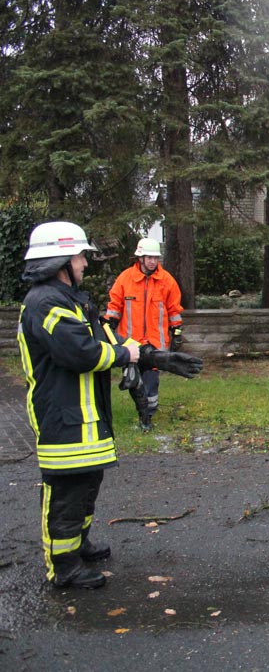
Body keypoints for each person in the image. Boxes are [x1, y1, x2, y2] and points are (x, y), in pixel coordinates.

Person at [18, 221, 141, 589]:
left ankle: (77, 544)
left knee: (87, 481)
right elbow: (81, 352)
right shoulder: (45, 302)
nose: (85, 263)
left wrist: (148, 354)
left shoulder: (70, 300)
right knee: (66, 490)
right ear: (60, 262)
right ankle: (64, 567)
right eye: (80, 257)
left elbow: (102, 335)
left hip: (83, 412)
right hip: (61, 414)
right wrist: (124, 355)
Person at [105, 237, 183, 432]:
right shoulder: (125, 279)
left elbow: (174, 309)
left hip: (156, 342)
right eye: (149, 257)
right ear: (140, 258)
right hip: (132, 342)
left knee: (152, 379)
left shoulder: (166, 281)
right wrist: (110, 323)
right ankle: (143, 412)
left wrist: (177, 332)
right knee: (134, 379)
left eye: (155, 258)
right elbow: (115, 305)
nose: (152, 261)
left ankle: (149, 413)